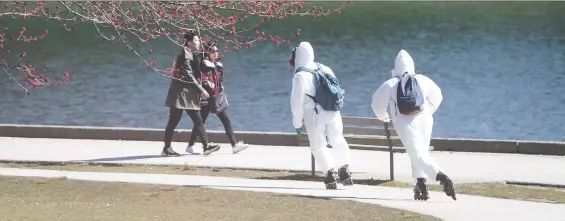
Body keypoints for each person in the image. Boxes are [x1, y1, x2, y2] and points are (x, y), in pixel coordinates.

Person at [370, 49, 456, 201]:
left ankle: (442, 177)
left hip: (404, 121)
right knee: (419, 152)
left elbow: (376, 104)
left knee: (417, 154)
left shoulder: (391, 84)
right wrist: (429, 111)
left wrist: (384, 118)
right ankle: (421, 185)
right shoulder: (422, 79)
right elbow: (438, 95)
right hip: (425, 118)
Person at [289, 41, 353, 190]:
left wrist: (297, 124)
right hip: (333, 111)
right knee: (337, 139)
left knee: (317, 145)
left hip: (313, 113)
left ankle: (330, 172)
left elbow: (296, 104)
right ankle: (345, 168)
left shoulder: (300, 76)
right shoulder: (325, 68)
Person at [162, 31, 220, 157]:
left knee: (198, 120)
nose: (199, 43)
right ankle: (167, 148)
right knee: (174, 121)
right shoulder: (184, 56)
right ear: (189, 43)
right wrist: (201, 89)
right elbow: (189, 75)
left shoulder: (192, 54)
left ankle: (206, 146)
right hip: (181, 93)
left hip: (188, 93)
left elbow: (198, 67)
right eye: (196, 41)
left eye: (199, 40)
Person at [186, 42, 250, 154]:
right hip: (207, 97)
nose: (215, 53)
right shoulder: (204, 65)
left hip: (217, 97)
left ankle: (234, 145)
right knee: (201, 122)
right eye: (212, 51)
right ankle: (191, 145)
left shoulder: (217, 66)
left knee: (225, 120)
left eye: (216, 51)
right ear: (207, 53)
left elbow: (220, 80)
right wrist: (206, 84)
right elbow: (203, 79)